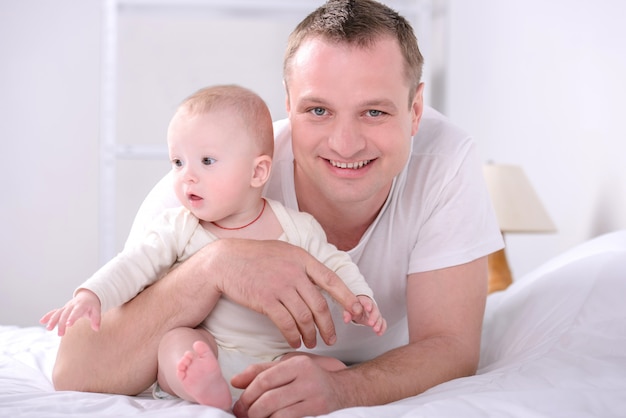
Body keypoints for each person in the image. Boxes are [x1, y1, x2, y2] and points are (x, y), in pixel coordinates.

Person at [51, 1, 504, 416]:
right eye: (318, 110)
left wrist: (347, 391)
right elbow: (76, 370)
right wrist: (216, 265)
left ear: (416, 110)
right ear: (287, 106)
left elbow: (451, 345)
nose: (345, 144)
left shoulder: (445, 161)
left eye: (374, 113)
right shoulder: (210, 183)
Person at [41, 85, 386, 410]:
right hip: (210, 349)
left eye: (206, 161)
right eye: (178, 162)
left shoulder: (297, 227)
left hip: (274, 355)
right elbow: (132, 264)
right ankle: (203, 386)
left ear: (258, 171)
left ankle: (256, 387)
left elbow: (333, 266)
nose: (187, 176)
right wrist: (92, 295)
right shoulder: (179, 227)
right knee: (176, 345)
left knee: (334, 369)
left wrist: (359, 298)